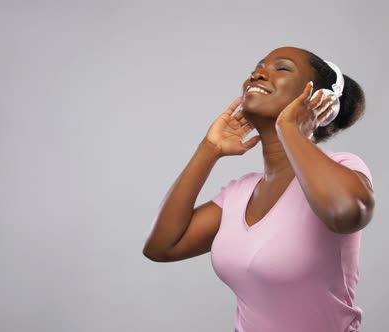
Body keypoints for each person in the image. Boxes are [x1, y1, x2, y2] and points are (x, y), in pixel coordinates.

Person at [143, 46, 376, 332]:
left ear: (319, 100)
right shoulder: (238, 193)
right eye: (258, 67)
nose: (258, 74)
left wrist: (291, 128)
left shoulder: (345, 167)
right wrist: (209, 149)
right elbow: (162, 247)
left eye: (283, 68)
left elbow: (345, 213)